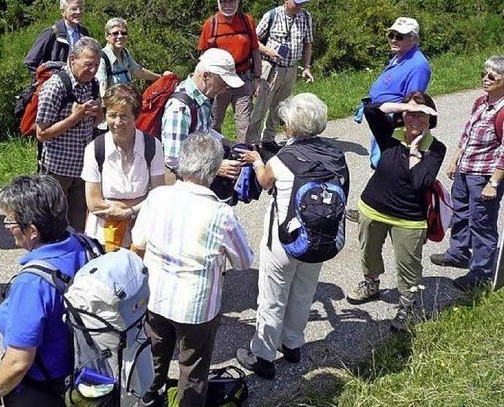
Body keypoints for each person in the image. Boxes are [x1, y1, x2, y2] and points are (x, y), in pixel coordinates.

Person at [132, 133, 253, 406]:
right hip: (197, 307)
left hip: (156, 297)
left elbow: (138, 241)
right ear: (213, 170)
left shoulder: (157, 197)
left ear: (183, 164)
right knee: (193, 367)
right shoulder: (221, 214)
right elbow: (244, 262)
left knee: (155, 353)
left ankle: (149, 396)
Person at [234, 93, 348, 378]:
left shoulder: (284, 159)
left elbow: (263, 181)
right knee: (303, 291)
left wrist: (258, 160)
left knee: (272, 296)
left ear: (291, 128)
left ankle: (263, 356)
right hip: (320, 237)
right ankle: (293, 345)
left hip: (284, 241)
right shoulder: (336, 155)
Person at [0, 175, 90, 406]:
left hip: (44, 388)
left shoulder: (33, 284)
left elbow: (18, 363)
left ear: (32, 230)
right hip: (81, 372)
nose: (9, 228)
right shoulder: (83, 243)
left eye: (10, 222)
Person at [346, 91, 446, 331]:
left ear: (430, 119)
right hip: (373, 208)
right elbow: (372, 110)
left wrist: (413, 152)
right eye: (410, 114)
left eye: (422, 115)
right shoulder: (390, 135)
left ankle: (408, 306)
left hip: (409, 219)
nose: (415, 120)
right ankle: (371, 283)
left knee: (408, 265)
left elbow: (420, 182)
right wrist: (403, 105)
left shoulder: (435, 148)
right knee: (368, 252)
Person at [430, 56, 504, 291]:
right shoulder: (480, 102)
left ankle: (481, 273)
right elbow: (467, 135)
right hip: (465, 171)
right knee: (460, 214)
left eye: (492, 76)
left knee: (482, 224)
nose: (485, 78)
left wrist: (493, 182)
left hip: (484, 176)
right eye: (484, 73)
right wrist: (454, 160)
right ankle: (458, 252)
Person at [347, 17, 431, 222]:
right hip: (381, 118)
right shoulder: (400, 56)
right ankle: (375, 207)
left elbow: (414, 102)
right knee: (380, 163)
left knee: (385, 164)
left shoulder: (418, 65)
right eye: (391, 35)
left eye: (399, 36)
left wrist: (402, 128)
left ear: (413, 39)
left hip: (393, 123)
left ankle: (374, 210)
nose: (393, 39)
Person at [81, 84, 165, 251]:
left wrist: (129, 211)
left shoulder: (153, 146)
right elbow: (94, 203)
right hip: (104, 233)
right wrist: (133, 206)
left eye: (124, 116)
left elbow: (159, 196)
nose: (118, 122)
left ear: (136, 117)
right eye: (112, 115)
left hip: (142, 231)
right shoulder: (95, 149)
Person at [36, 37, 103, 233]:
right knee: (55, 225)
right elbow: (42, 133)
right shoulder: (54, 87)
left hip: (83, 168)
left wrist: (97, 112)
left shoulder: (93, 84)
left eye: (96, 65)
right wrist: (75, 117)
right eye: (88, 64)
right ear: (72, 59)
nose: (92, 70)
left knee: (79, 225)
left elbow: (96, 122)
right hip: (58, 169)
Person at [246, 0, 314, 153]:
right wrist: (269, 51)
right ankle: (252, 142)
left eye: (302, 3)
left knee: (280, 107)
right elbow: (254, 41)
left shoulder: (306, 17)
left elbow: (307, 44)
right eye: (296, 2)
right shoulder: (272, 15)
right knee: (261, 106)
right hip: (270, 68)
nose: (299, 6)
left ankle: (268, 139)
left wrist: (306, 67)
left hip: (291, 69)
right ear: (286, 0)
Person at [161, 48, 244, 185]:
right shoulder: (180, 108)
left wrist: (227, 142)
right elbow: (173, 159)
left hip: (197, 177)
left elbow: (203, 129)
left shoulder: (201, 98)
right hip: (180, 184)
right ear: (206, 76)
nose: (224, 89)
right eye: (222, 83)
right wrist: (216, 168)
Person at [198, 0, 262, 143]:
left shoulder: (247, 21)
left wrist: (258, 78)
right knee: (213, 122)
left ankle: (244, 157)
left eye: (231, 1)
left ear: (238, 2)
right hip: (218, 81)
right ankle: (216, 156)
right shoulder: (210, 24)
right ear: (218, 3)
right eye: (224, 1)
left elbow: (255, 50)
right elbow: (203, 57)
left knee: (244, 123)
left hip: (243, 78)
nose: (228, 5)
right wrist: (202, 84)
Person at [96, 17, 171, 94]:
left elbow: (138, 72)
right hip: (113, 103)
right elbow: (102, 89)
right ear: (106, 36)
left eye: (123, 33)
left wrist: (161, 77)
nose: (120, 36)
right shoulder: (102, 58)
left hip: (127, 100)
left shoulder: (125, 52)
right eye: (115, 33)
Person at [24, 0, 90, 75]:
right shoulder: (51, 33)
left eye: (81, 9)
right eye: (74, 9)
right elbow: (30, 62)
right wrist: (46, 79)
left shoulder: (84, 33)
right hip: (56, 84)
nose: (78, 12)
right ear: (63, 12)